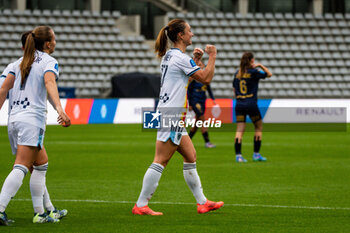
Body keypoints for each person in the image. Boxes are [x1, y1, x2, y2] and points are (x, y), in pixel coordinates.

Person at [132, 19, 223, 215]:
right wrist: (212, 56)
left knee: (190, 156)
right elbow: (206, 78)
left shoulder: (170, 56)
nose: (192, 34)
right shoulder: (180, 58)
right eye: (189, 31)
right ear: (180, 35)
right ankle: (140, 205)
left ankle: (202, 202)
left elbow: (187, 78)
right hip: (172, 114)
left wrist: (197, 62)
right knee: (160, 160)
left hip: (170, 113)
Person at [0, 26, 71, 226]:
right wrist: (60, 109)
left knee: (40, 164)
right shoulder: (48, 62)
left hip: (14, 119)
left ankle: (44, 211)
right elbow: (50, 84)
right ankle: (1, 208)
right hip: (32, 119)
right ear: (47, 43)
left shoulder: (17, 63)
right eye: (54, 39)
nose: (55, 42)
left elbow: (3, 89)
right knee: (22, 165)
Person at [232, 52, 272, 163]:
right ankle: (256, 154)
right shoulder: (254, 72)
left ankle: (238, 156)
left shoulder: (237, 73)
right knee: (258, 127)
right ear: (252, 61)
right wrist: (260, 66)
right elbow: (269, 74)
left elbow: (234, 89)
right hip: (251, 103)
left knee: (240, 130)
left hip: (239, 103)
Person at [188, 48, 216, 148]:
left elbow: (208, 88)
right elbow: (188, 90)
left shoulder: (204, 77)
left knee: (196, 124)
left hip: (202, 100)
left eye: (200, 65)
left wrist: (213, 99)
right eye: (198, 65)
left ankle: (187, 141)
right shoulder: (194, 78)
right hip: (195, 100)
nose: (199, 66)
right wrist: (190, 103)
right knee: (202, 120)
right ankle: (207, 142)